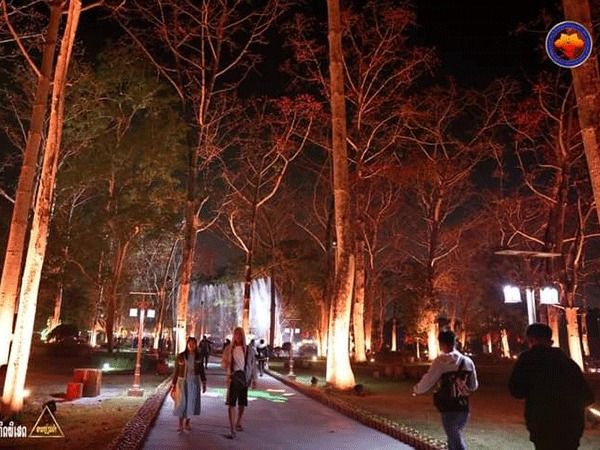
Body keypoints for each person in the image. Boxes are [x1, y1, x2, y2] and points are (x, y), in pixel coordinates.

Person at [509, 323, 594, 450]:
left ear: (530, 340)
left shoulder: (528, 360)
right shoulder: (567, 362)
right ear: (550, 340)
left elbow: (516, 390)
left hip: (543, 424)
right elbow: (587, 396)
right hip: (571, 426)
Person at [413, 330, 478, 450]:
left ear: (442, 344)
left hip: (448, 406)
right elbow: (474, 386)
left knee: (454, 437)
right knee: (453, 437)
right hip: (464, 407)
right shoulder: (468, 362)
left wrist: (417, 390)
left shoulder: (441, 362)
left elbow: (429, 380)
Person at [221, 327, 257, 439]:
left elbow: (253, 364)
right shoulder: (229, 349)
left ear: (243, 336)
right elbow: (223, 363)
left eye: (240, 334)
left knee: (242, 403)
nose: (238, 337)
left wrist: (254, 379)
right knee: (231, 404)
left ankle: (238, 422)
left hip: (244, 379)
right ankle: (232, 429)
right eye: (236, 334)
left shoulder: (248, 349)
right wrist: (227, 365)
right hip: (233, 379)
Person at [171, 336, 207, 432]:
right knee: (181, 403)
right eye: (189, 343)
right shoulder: (180, 356)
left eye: (193, 343)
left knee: (191, 403)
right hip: (182, 381)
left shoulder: (198, 357)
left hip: (194, 382)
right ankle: (180, 424)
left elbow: (201, 370)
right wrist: (173, 385)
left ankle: (187, 423)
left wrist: (204, 382)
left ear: (196, 345)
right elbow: (176, 371)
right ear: (187, 344)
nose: (191, 345)